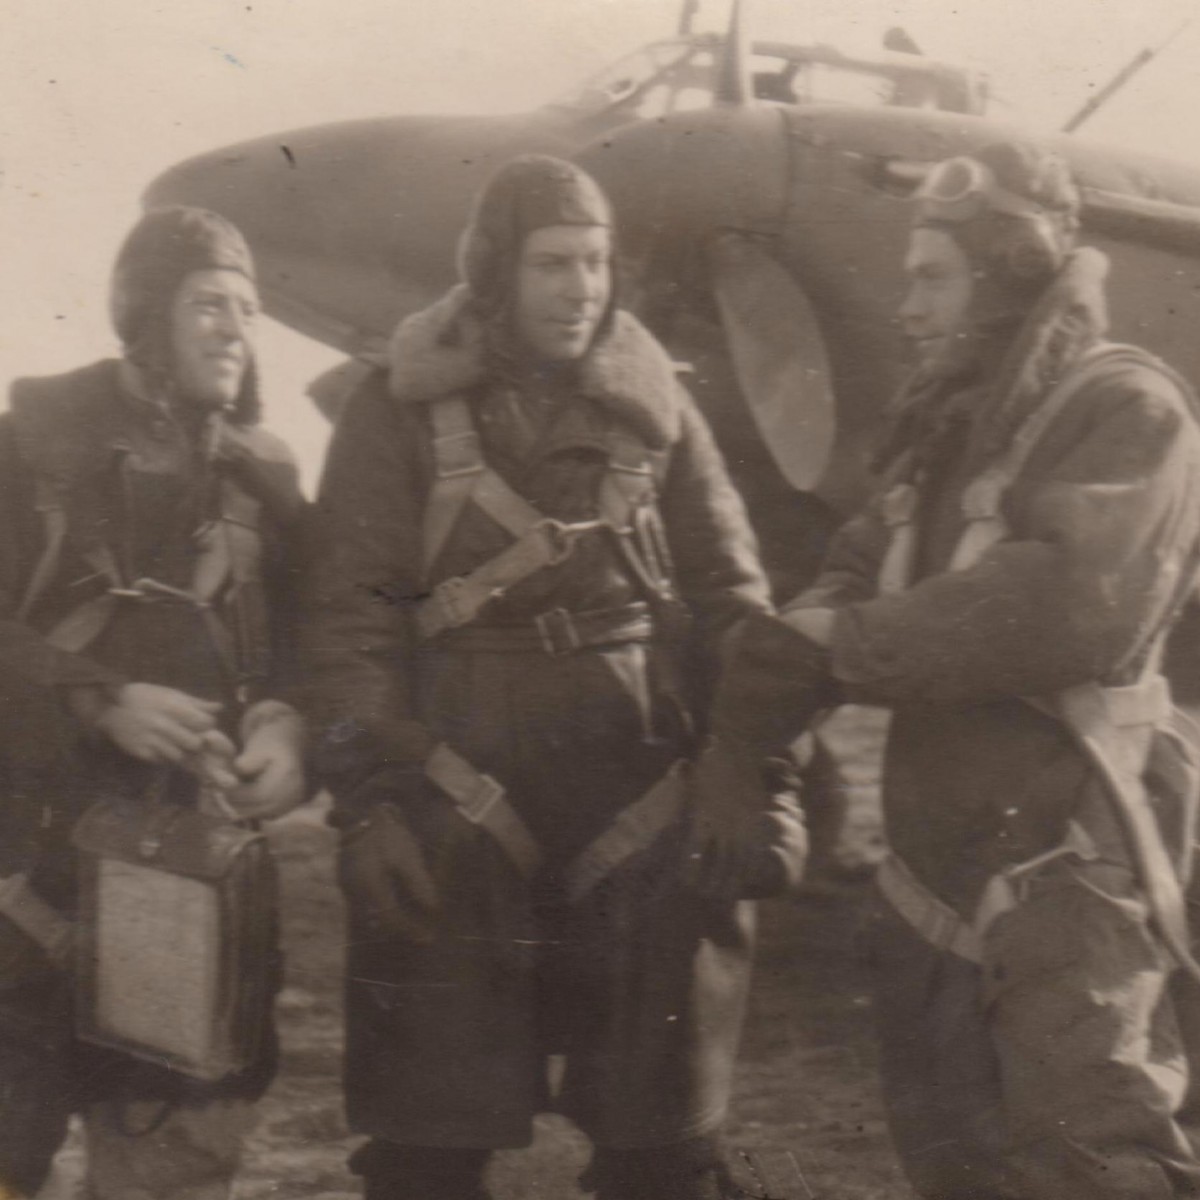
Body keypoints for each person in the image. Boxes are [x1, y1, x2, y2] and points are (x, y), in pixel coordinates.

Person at [301, 154, 806, 1200]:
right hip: (450, 795)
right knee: (426, 1149)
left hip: (640, 796)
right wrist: (370, 803)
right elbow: (351, 625)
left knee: (665, 1146)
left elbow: (733, 606)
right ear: (495, 269)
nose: (581, 288)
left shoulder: (659, 411)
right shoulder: (394, 410)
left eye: (596, 262)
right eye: (552, 264)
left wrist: (755, 770)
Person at [709, 141, 1200, 1197]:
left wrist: (837, 647)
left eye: (932, 278)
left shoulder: (1131, 411)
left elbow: (1057, 605)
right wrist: (776, 661)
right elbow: (857, 563)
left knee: (1092, 1161)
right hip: (934, 877)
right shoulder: (945, 429)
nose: (909, 309)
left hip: (1073, 873)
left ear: (1010, 268)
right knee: (953, 1165)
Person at [0, 206, 308, 1199]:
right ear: (143, 313)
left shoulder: (261, 484)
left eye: (249, 311)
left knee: (173, 1171)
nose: (235, 330)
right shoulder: (27, 453)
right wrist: (98, 700)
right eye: (209, 303)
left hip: (188, 885)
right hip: (24, 880)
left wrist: (287, 726)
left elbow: (324, 646)